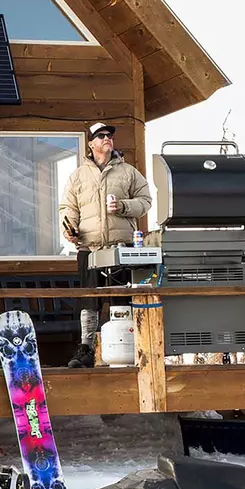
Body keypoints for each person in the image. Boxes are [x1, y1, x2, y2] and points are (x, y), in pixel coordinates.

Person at [59, 122, 152, 367]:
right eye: (100, 136)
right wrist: (70, 230)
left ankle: (126, 352)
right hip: (89, 248)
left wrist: (123, 206)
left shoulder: (128, 172)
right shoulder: (78, 176)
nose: (107, 138)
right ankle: (86, 350)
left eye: (109, 135)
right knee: (89, 301)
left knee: (121, 300)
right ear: (91, 144)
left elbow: (145, 201)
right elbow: (68, 208)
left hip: (120, 248)